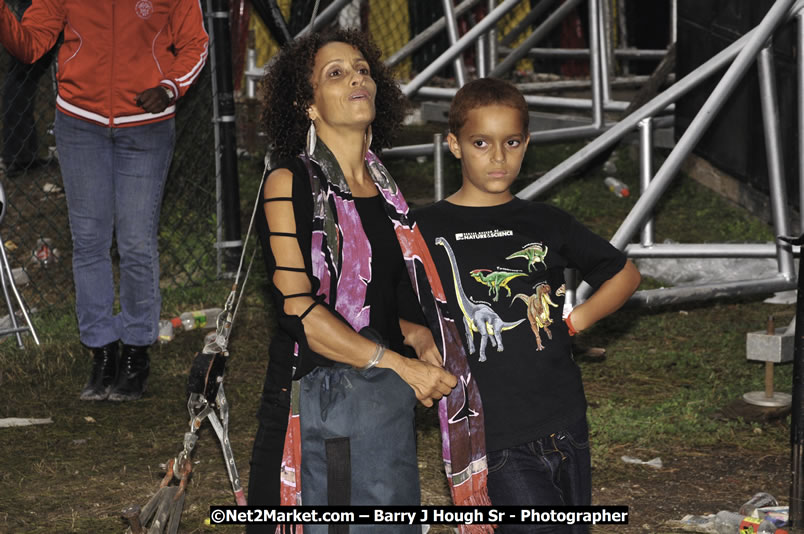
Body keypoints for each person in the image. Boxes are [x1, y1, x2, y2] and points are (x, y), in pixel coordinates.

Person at [250, 28, 495, 534]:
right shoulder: (287, 183)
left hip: (379, 408)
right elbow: (301, 312)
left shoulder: (389, 195)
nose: (356, 78)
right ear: (308, 104)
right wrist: (403, 368)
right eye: (335, 73)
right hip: (315, 405)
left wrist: (420, 335)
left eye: (362, 69)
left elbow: (386, 299)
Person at [414, 78, 642, 534]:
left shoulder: (545, 221)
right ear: (454, 145)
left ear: (526, 144)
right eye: (482, 143)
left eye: (511, 142)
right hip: (492, 435)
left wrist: (575, 322)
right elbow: (386, 304)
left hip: (564, 421)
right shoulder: (423, 228)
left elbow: (625, 274)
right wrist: (418, 341)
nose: (498, 157)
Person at [0, 0, 209, 401]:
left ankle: (135, 352)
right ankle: (101, 351)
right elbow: (29, 45)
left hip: (146, 127)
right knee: (90, 242)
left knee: (135, 243)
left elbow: (195, 44)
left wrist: (169, 87)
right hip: (81, 124)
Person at [1, 0, 55, 176]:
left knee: (24, 77)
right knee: (22, 74)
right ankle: (18, 155)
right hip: (40, 6)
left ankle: (22, 154)